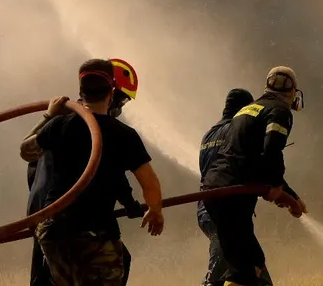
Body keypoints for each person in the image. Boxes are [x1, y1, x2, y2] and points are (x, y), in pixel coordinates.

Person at [20, 59, 164, 286]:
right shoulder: (120, 134)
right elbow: (146, 181)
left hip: (51, 227)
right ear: (112, 93)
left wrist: (49, 116)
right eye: (122, 100)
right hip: (89, 229)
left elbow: (26, 150)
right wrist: (153, 210)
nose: (121, 107)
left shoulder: (60, 124)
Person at [200, 67, 307, 286]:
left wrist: (289, 196)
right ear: (293, 92)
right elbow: (272, 150)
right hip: (233, 197)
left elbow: (254, 161)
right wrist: (276, 185)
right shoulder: (280, 111)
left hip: (213, 194)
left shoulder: (246, 111)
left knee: (246, 268)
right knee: (250, 266)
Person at [197, 87, 271, 286]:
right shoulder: (237, 131)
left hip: (206, 209)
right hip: (225, 210)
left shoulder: (209, 134)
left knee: (254, 273)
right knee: (221, 271)